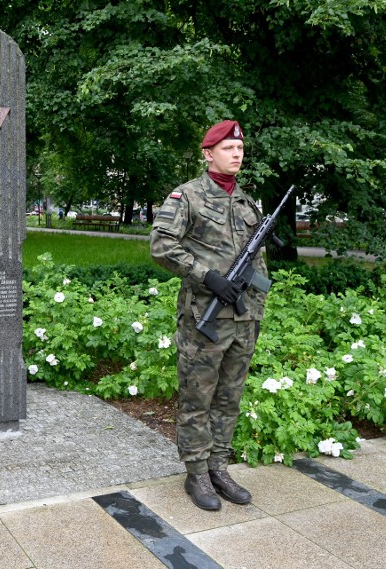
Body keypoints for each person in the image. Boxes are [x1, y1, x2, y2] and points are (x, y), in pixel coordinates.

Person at [149, 120, 266, 511]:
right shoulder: (188, 197)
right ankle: (196, 473)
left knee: (229, 398)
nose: (237, 154)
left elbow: (258, 262)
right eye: (229, 148)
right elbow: (161, 245)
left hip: (244, 318)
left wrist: (255, 306)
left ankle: (219, 467)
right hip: (205, 317)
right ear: (208, 153)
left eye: (240, 148)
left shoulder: (249, 203)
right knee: (198, 397)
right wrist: (207, 277)